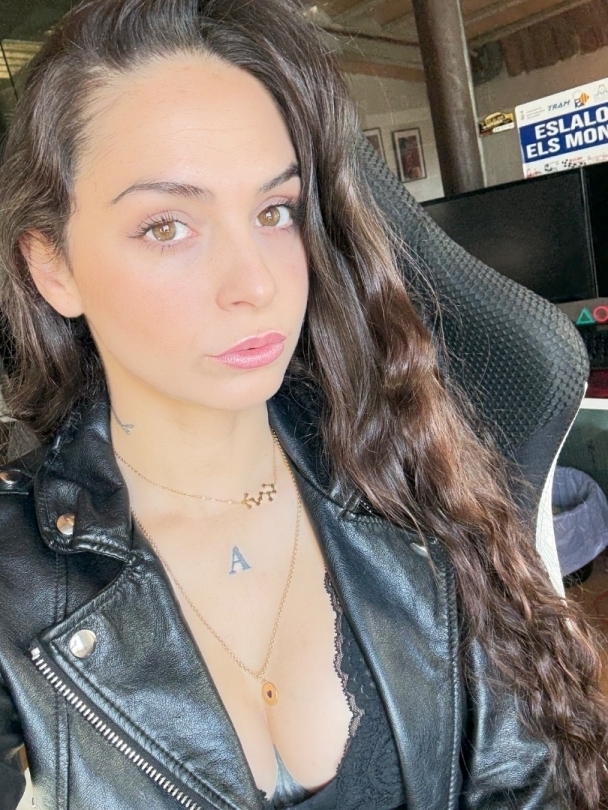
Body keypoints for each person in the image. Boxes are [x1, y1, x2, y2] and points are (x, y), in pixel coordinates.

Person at [0, 1, 606, 808]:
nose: (254, 283)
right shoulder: (16, 578)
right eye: (168, 226)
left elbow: (524, 781)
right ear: (52, 267)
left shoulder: (399, 473)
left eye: (274, 211)